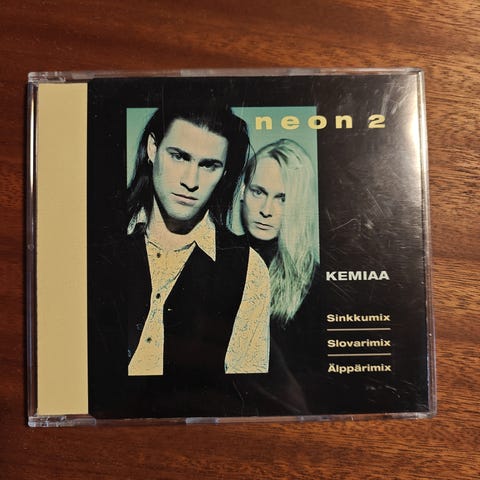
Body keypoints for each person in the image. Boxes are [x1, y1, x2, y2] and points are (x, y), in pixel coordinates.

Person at [92, 97, 271, 418]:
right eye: (179, 156)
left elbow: (245, 397)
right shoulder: (97, 242)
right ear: (152, 149)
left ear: (224, 171)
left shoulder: (248, 269)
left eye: (209, 165)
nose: (190, 181)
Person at [228, 138, 322, 412]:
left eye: (282, 198)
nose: (266, 211)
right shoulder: (214, 257)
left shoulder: (314, 283)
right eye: (258, 192)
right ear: (243, 190)